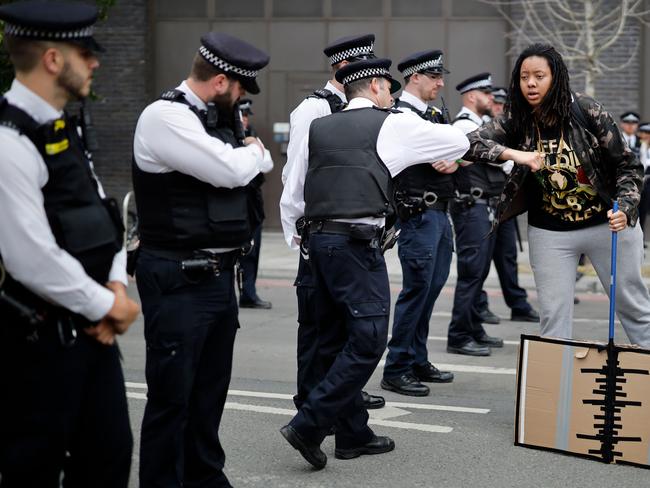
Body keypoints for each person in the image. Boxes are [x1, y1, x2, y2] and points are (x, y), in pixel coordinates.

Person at [280, 57, 470, 469]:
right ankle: (309, 424)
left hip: (317, 241)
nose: (392, 93)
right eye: (388, 86)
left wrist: (301, 240)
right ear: (375, 87)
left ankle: (353, 434)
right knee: (367, 339)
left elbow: (294, 188)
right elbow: (456, 144)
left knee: (331, 339)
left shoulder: (318, 126)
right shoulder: (391, 123)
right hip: (355, 245)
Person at [0, 2, 140, 487]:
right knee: (30, 470)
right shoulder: (8, 140)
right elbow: (29, 256)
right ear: (54, 59)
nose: (96, 61)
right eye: (87, 52)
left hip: (91, 334)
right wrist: (108, 305)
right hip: (36, 346)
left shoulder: (63, 127)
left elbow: (104, 219)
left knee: (108, 456)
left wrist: (116, 288)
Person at [132, 32, 272, 487]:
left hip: (215, 277)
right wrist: (253, 154)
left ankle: (205, 478)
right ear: (220, 81)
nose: (241, 100)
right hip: (177, 277)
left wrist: (248, 154)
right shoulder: (166, 116)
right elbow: (230, 170)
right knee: (172, 398)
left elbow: (238, 168)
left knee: (209, 395)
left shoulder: (212, 120)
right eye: (240, 90)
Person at [465, 43, 650, 347]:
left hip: (607, 223)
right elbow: (470, 144)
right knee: (553, 318)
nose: (531, 84)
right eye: (524, 77)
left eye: (539, 75)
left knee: (634, 308)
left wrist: (627, 207)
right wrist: (514, 154)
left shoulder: (586, 110)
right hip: (551, 232)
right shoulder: (517, 119)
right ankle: (555, 392)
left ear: (557, 78)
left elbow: (628, 166)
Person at [281, 34, 385, 411]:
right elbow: (296, 174)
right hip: (318, 230)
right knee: (316, 325)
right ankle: (310, 399)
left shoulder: (357, 109)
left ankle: (342, 394)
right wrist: (297, 231)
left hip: (347, 232)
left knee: (345, 323)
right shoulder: (314, 109)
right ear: (344, 68)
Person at [380, 49, 455, 397]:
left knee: (430, 291)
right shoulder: (399, 114)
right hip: (418, 215)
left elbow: (459, 153)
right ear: (415, 78)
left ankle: (417, 358)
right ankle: (396, 367)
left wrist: (455, 162)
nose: (441, 83)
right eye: (435, 77)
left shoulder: (435, 113)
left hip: (440, 213)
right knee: (415, 292)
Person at [446, 72, 504, 357]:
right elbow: (453, 159)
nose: (491, 98)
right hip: (471, 206)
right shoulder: (462, 126)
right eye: (486, 93)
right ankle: (458, 335)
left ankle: (473, 328)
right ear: (471, 96)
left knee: (479, 273)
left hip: (485, 206)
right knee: (471, 273)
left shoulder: (481, 124)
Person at [475, 86, 540, 325]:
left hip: (502, 201)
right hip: (483, 201)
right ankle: (478, 305)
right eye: (497, 104)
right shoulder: (483, 128)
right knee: (479, 262)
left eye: (504, 105)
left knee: (508, 256)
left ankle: (517, 303)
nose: (500, 108)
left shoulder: (508, 129)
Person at [237, 98, 273, 309]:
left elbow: (267, 163)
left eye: (246, 115)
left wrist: (252, 144)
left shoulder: (252, 136)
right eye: (241, 115)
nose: (244, 120)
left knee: (252, 250)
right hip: (233, 202)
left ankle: (248, 293)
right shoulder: (226, 135)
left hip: (251, 203)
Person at [636, 121, 650, 235]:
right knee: (638, 210)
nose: (646, 136)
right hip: (639, 181)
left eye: (648, 133)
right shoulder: (637, 146)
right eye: (643, 132)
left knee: (645, 211)